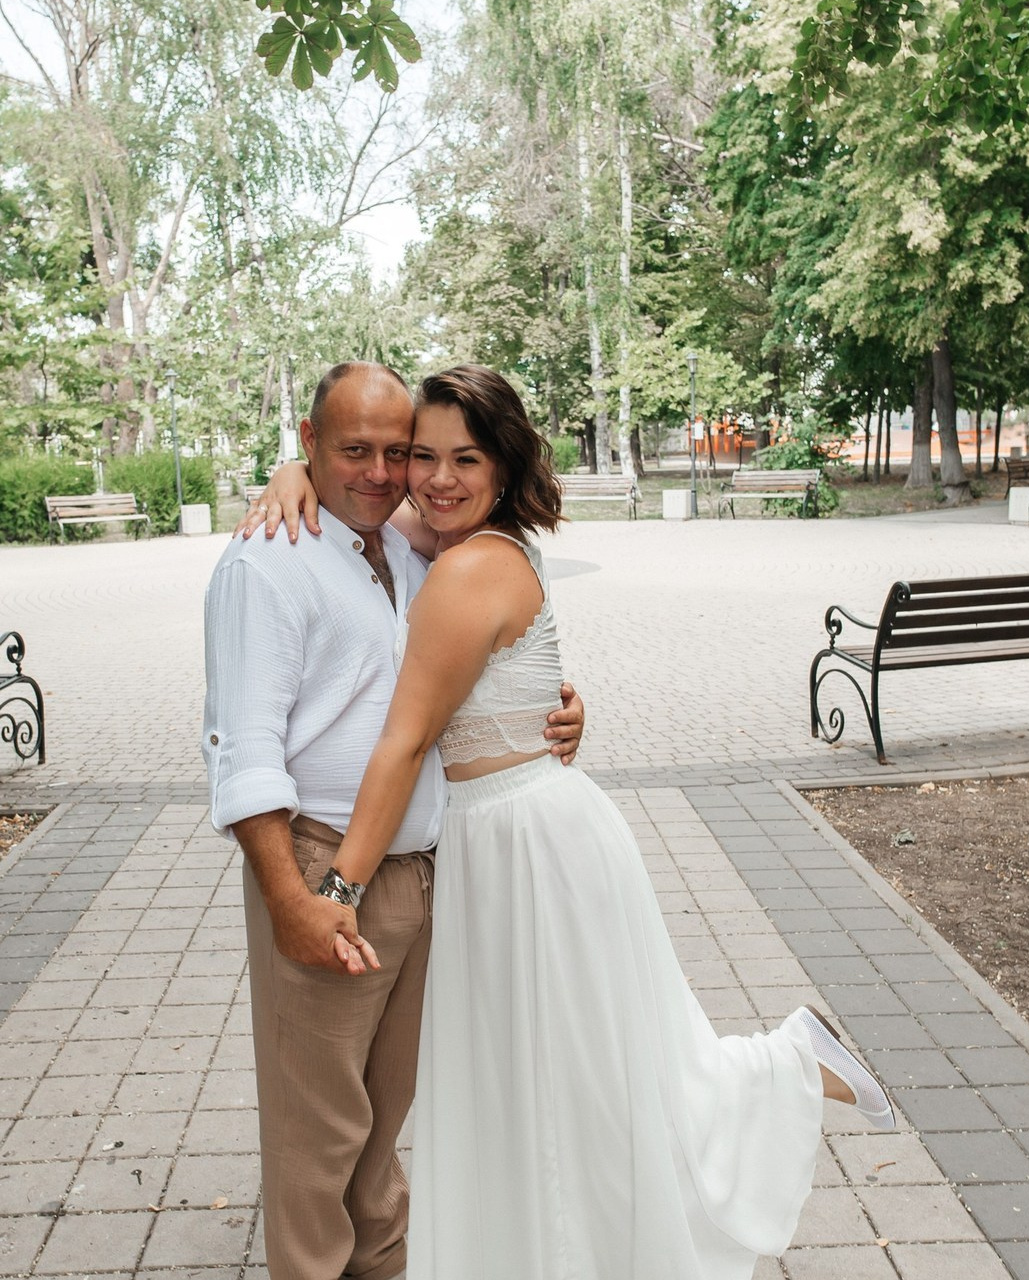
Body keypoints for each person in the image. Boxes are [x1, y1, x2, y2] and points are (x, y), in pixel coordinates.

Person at [250, 364, 894, 1280]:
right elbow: (357, 502)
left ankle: (791, 1065)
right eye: (421, 456)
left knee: (596, 1079)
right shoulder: (456, 538)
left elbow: (401, 746)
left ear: (504, 468)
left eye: (463, 460)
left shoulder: (470, 566)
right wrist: (291, 474)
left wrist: (340, 887)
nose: (433, 479)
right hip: (512, 833)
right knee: (563, 1080)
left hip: (526, 846)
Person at [201, 361, 584, 1280]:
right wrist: (297, 898)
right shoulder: (268, 563)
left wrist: (556, 712)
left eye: (394, 451)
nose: (380, 472)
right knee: (316, 1138)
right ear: (306, 443)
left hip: (418, 873)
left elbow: (486, 667)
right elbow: (242, 752)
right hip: (327, 867)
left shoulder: (411, 548)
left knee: (381, 1124)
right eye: (352, 451)